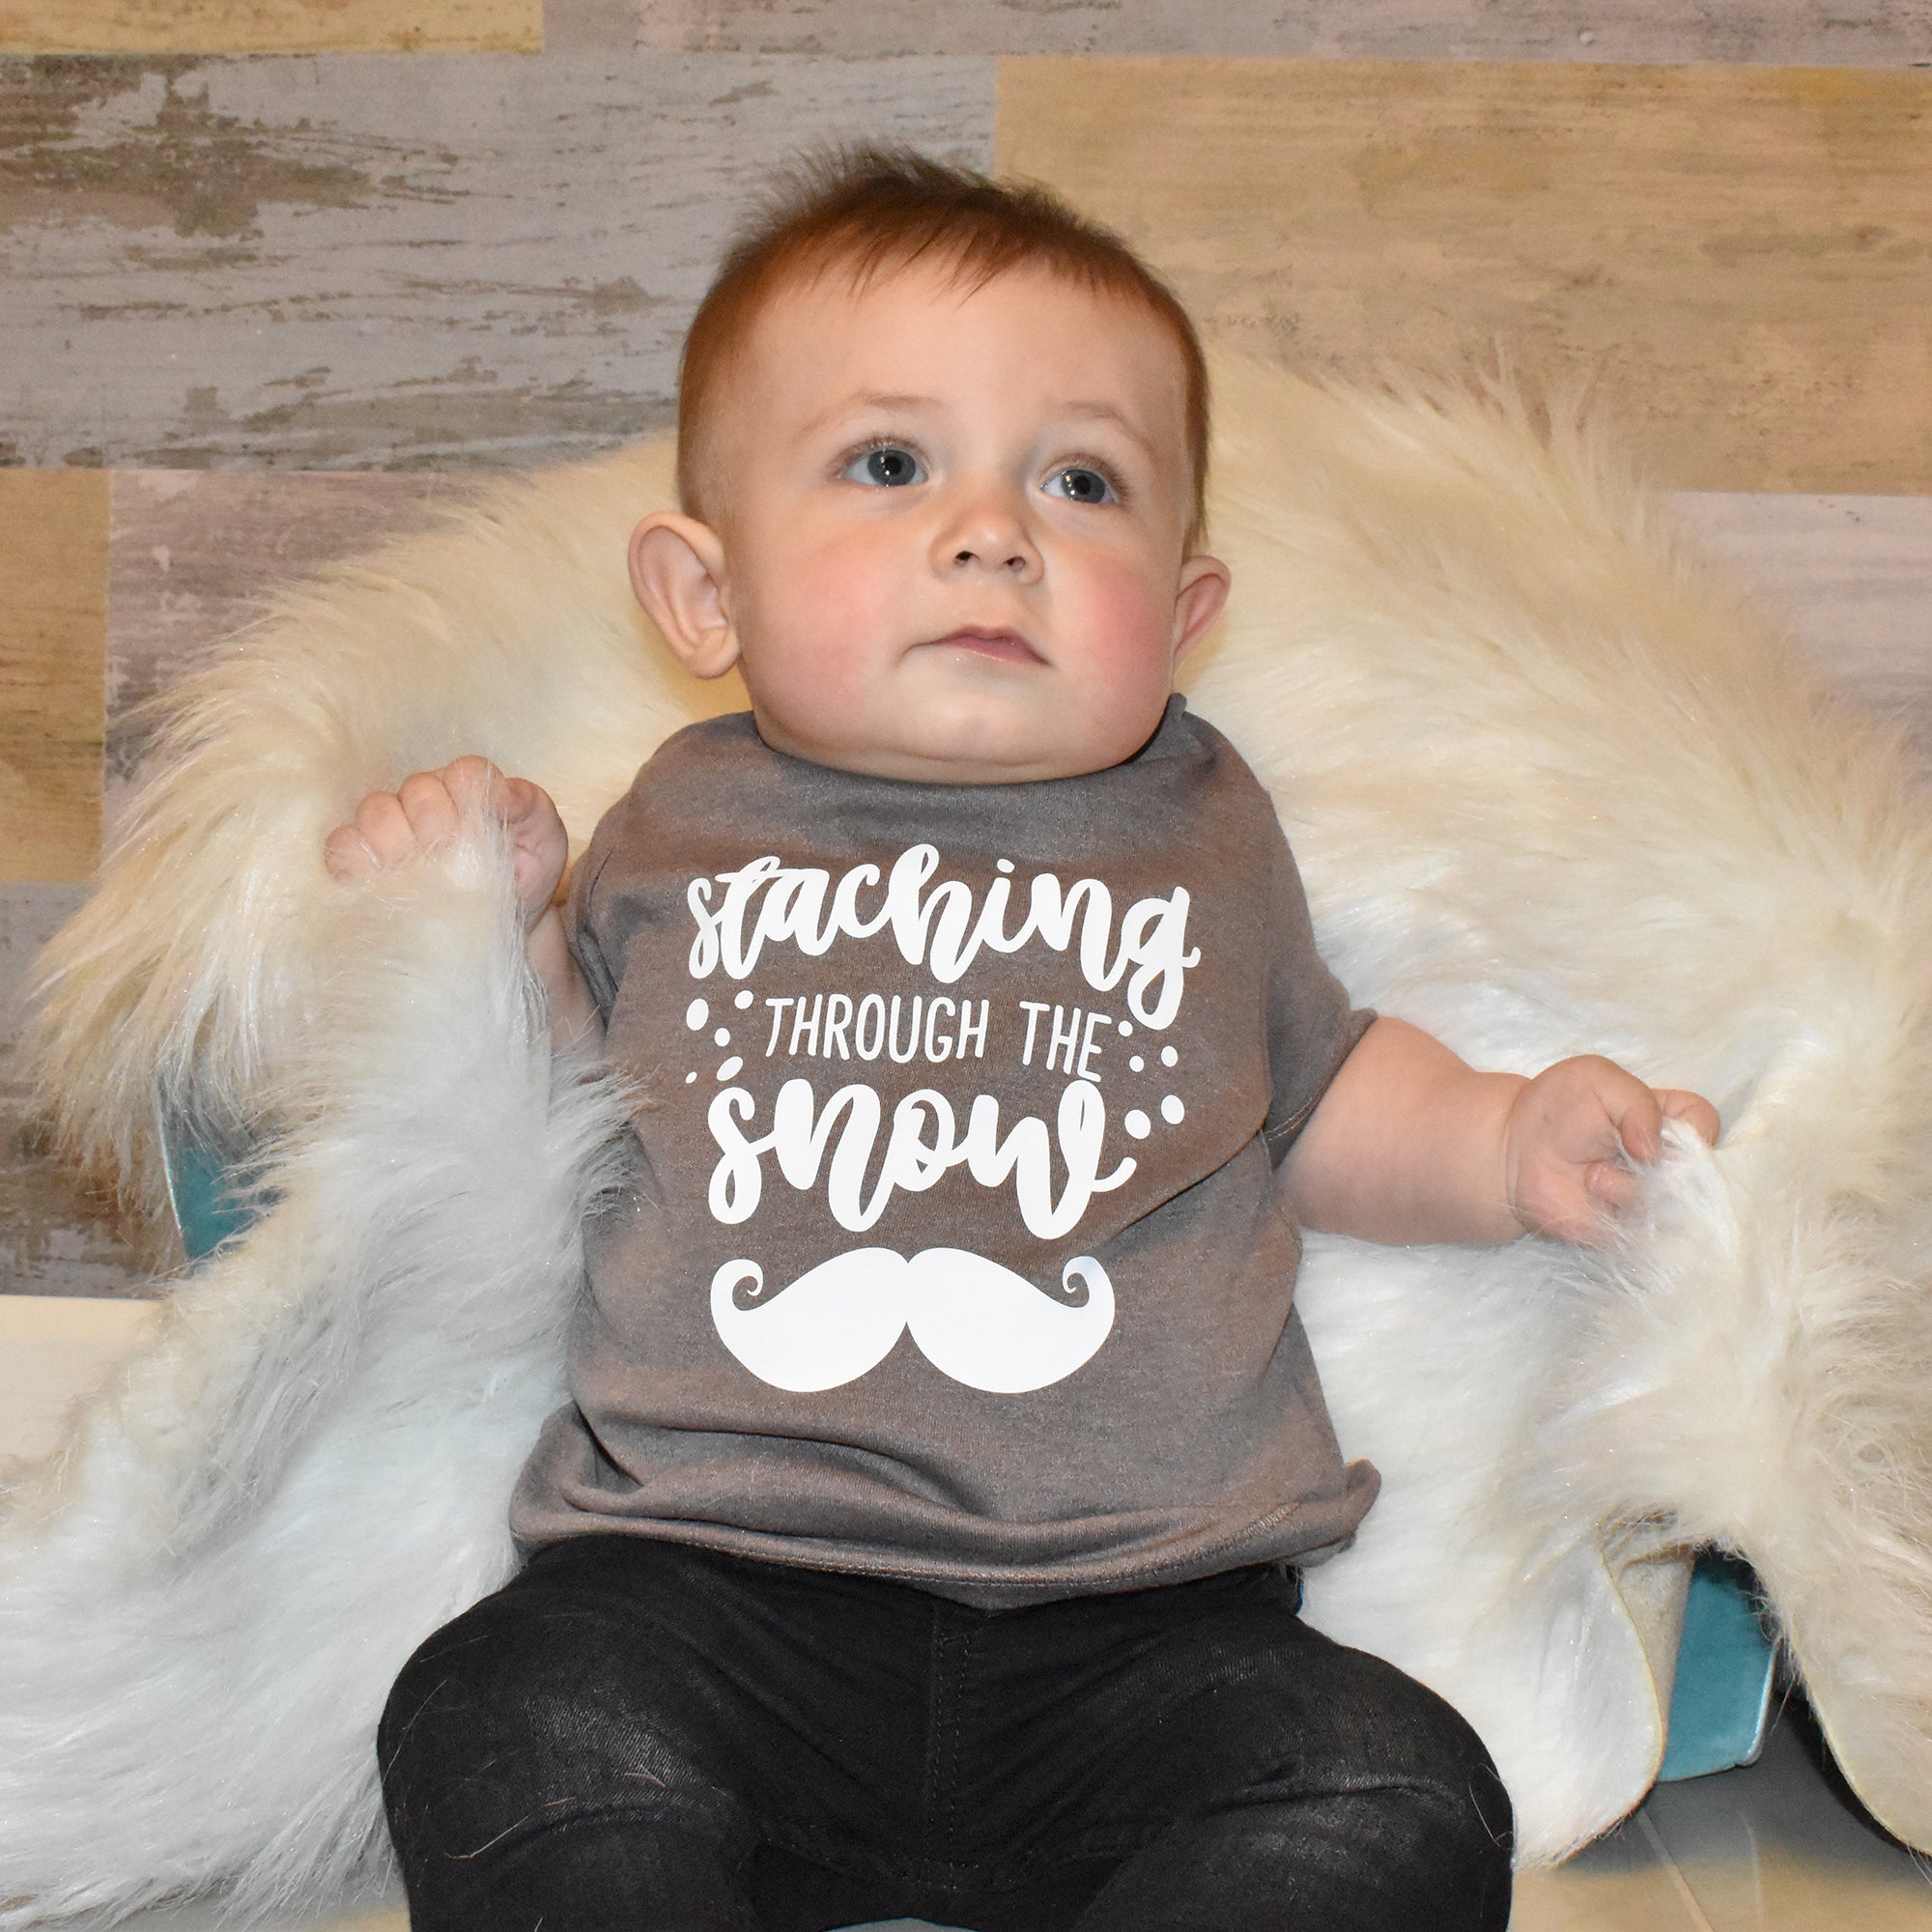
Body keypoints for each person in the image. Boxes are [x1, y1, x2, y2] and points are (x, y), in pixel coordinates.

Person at [327, 149, 1719, 1932]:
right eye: (890, 464)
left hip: (1149, 1636)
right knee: (501, 1718)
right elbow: (543, 1108)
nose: (995, 531)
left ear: (1188, 614)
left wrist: (1511, 1138)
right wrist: (484, 916)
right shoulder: (674, 824)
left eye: (1080, 479)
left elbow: (1325, 1086)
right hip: (703, 1596)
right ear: (704, 593)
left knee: (1399, 1789)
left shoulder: (1206, 831)